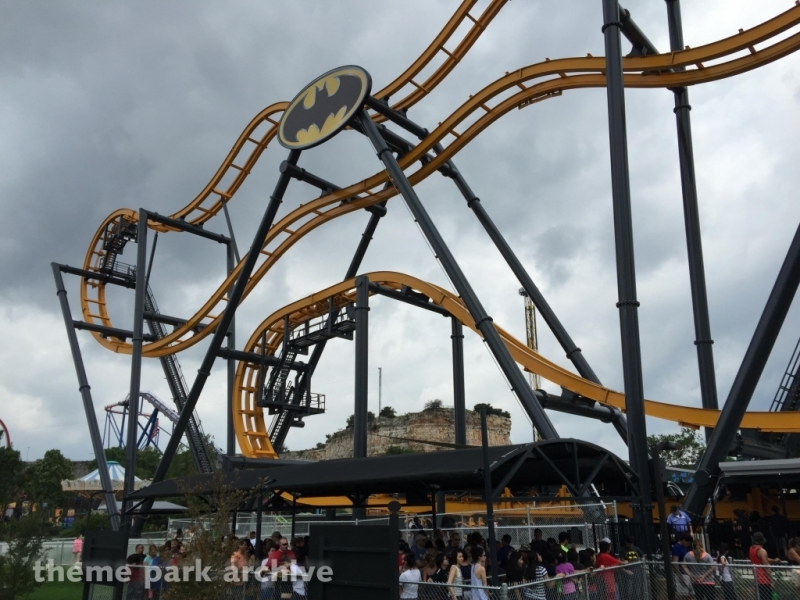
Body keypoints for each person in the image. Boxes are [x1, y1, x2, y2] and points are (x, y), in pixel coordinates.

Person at [750, 531, 779, 600]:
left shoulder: (751, 549)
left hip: (757, 578)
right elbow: (766, 567)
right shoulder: (762, 551)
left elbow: (762, 559)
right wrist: (771, 581)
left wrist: (774, 560)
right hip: (764, 580)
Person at [671, 534, 694, 600]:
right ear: (683, 540)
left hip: (687, 572)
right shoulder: (677, 547)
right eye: (687, 543)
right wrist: (679, 575)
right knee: (682, 594)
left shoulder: (684, 547)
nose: (688, 545)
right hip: (682, 573)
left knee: (690, 594)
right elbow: (675, 561)